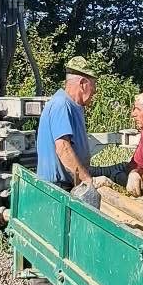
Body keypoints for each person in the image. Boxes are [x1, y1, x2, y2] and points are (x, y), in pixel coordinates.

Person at [36, 58, 97, 188]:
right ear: (82, 84)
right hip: (57, 188)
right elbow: (63, 148)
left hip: (65, 185)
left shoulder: (73, 106)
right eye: (93, 87)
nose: (94, 92)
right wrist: (87, 181)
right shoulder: (62, 104)